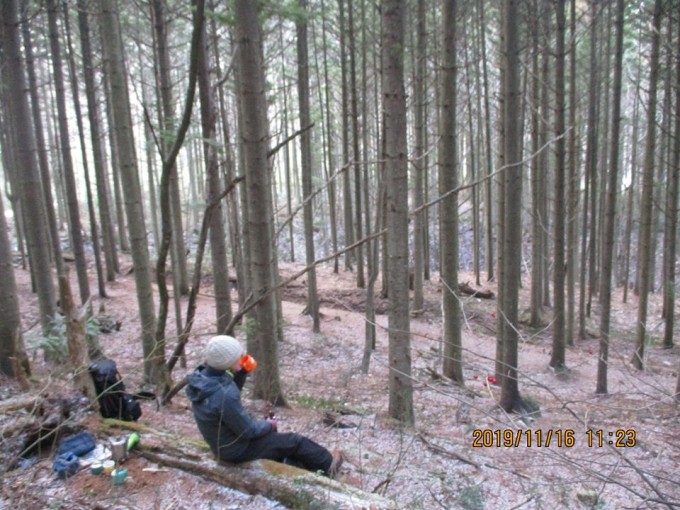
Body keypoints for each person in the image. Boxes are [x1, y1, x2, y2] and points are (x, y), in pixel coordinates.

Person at [186, 335, 343, 477]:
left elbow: (226, 398)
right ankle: (328, 466)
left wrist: (241, 374)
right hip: (235, 450)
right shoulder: (224, 394)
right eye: (237, 356)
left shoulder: (204, 378)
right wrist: (269, 424)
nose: (241, 357)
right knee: (295, 441)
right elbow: (248, 430)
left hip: (223, 444)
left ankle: (298, 466)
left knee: (276, 440)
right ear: (226, 362)